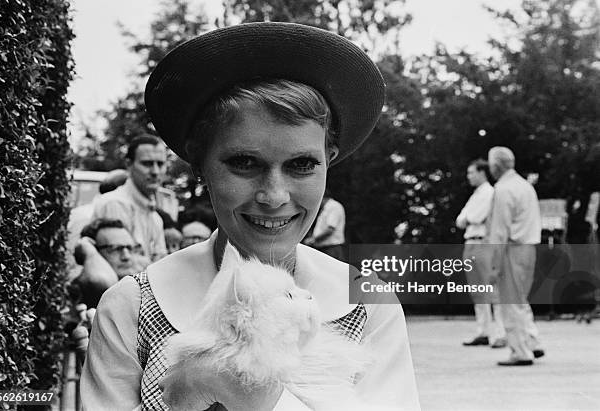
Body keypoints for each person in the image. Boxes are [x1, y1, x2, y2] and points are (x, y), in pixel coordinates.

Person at [81, 22, 420, 410]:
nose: (274, 196)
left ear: (330, 162)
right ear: (199, 164)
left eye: (302, 164)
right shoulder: (134, 307)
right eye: (244, 163)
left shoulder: (367, 305)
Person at [487, 146, 544, 366]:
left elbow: (500, 230)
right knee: (520, 299)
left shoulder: (503, 189)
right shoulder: (525, 186)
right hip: (528, 247)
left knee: (509, 301)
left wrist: (494, 263)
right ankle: (532, 341)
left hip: (512, 248)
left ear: (496, 165)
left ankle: (520, 351)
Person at [92, 135, 168, 262]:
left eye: (160, 164)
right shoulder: (114, 204)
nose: (155, 171)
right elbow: (120, 267)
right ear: (129, 164)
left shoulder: (155, 218)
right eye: (147, 163)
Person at [456, 159, 506, 348]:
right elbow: (460, 219)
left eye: (471, 172)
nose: (469, 176)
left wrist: (467, 218)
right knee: (477, 291)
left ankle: (500, 332)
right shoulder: (476, 194)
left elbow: (475, 217)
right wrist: (467, 218)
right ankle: (483, 331)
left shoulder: (489, 192)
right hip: (470, 242)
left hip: (483, 243)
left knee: (491, 289)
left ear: (481, 173)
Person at [70, 218, 147, 308]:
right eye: (115, 249)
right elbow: (101, 281)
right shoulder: (83, 289)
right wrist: (89, 252)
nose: (126, 257)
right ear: (95, 250)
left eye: (129, 248)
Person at [304, 192, 347, 261]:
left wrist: (313, 239)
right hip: (326, 249)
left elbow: (330, 229)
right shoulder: (326, 207)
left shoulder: (333, 207)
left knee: (332, 270)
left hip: (332, 249)